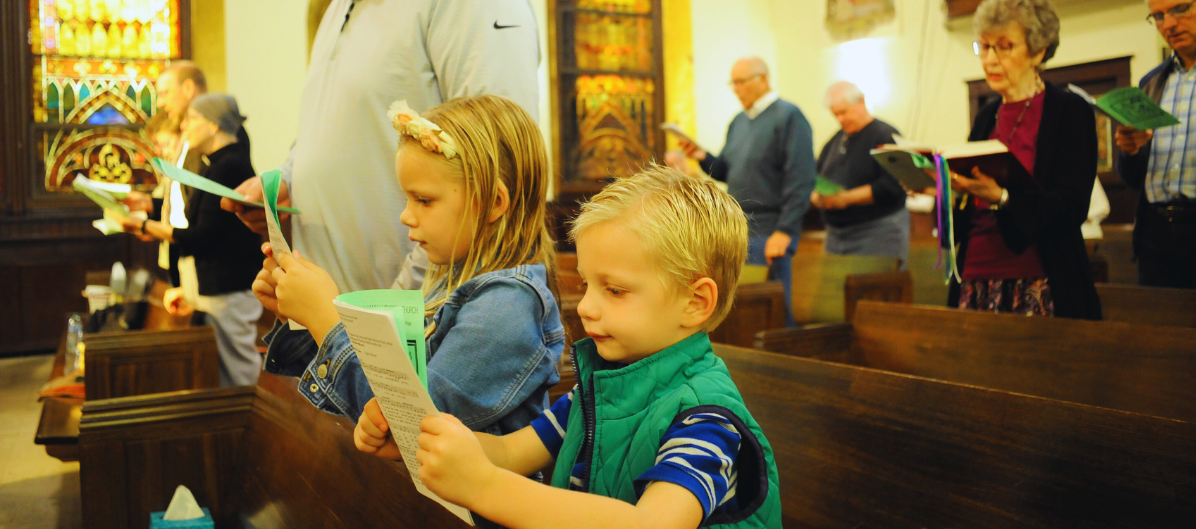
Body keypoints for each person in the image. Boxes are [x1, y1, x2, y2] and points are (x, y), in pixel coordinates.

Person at [354, 165, 782, 529]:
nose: (588, 308)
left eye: (614, 291)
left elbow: (650, 524)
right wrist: (418, 438)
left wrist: (483, 485)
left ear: (695, 302)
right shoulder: (598, 390)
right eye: (585, 285)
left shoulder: (708, 420)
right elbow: (510, 452)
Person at [225, 0, 540, 297]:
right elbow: (336, 132)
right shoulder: (338, 4)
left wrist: (394, 312)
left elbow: (496, 161)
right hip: (334, 327)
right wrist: (287, 185)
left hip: (412, 331)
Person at [253, 96, 564, 441]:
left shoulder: (507, 305)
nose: (406, 215)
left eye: (424, 200)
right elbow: (363, 393)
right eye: (407, 198)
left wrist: (326, 319)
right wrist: (298, 317)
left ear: (493, 203)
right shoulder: (449, 279)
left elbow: (416, 421)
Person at [949, 0, 1101, 319]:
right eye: (985, 46)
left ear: (1038, 51)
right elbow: (969, 200)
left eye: (1004, 47)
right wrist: (942, 186)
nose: (990, 59)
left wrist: (1003, 197)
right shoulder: (987, 115)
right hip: (976, 275)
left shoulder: (1068, 110)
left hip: (1040, 276)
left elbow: (1071, 205)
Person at [118, 94, 264, 386]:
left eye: (192, 119)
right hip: (215, 283)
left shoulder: (230, 165)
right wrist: (150, 211)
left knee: (236, 370)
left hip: (228, 285)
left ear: (213, 125)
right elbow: (196, 219)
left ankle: (242, 425)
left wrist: (146, 225)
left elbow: (202, 236)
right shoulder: (217, 163)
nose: (184, 127)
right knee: (219, 370)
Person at [680, 56, 815, 326]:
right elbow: (728, 171)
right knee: (744, 311)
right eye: (734, 83)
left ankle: (781, 365)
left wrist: (786, 230)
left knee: (773, 311)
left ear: (762, 80)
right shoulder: (739, 122)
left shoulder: (789, 116)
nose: (736, 89)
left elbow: (801, 178)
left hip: (771, 229)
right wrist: (702, 156)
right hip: (740, 228)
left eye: (741, 82)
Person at [1116, 0, 1196, 289]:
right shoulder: (1152, 83)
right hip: (1156, 233)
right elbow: (1134, 178)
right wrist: (1130, 151)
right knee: (1160, 333)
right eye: (1159, 16)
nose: (1169, 24)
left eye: (1179, 9)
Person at [813, 81, 910, 267]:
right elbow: (817, 176)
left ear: (861, 102)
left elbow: (894, 188)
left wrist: (846, 199)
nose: (840, 119)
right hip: (836, 235)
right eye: (835, 115)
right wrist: (817, 196)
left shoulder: (885, 136)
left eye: (844, 112)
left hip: (878, 233)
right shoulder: (835, 140)